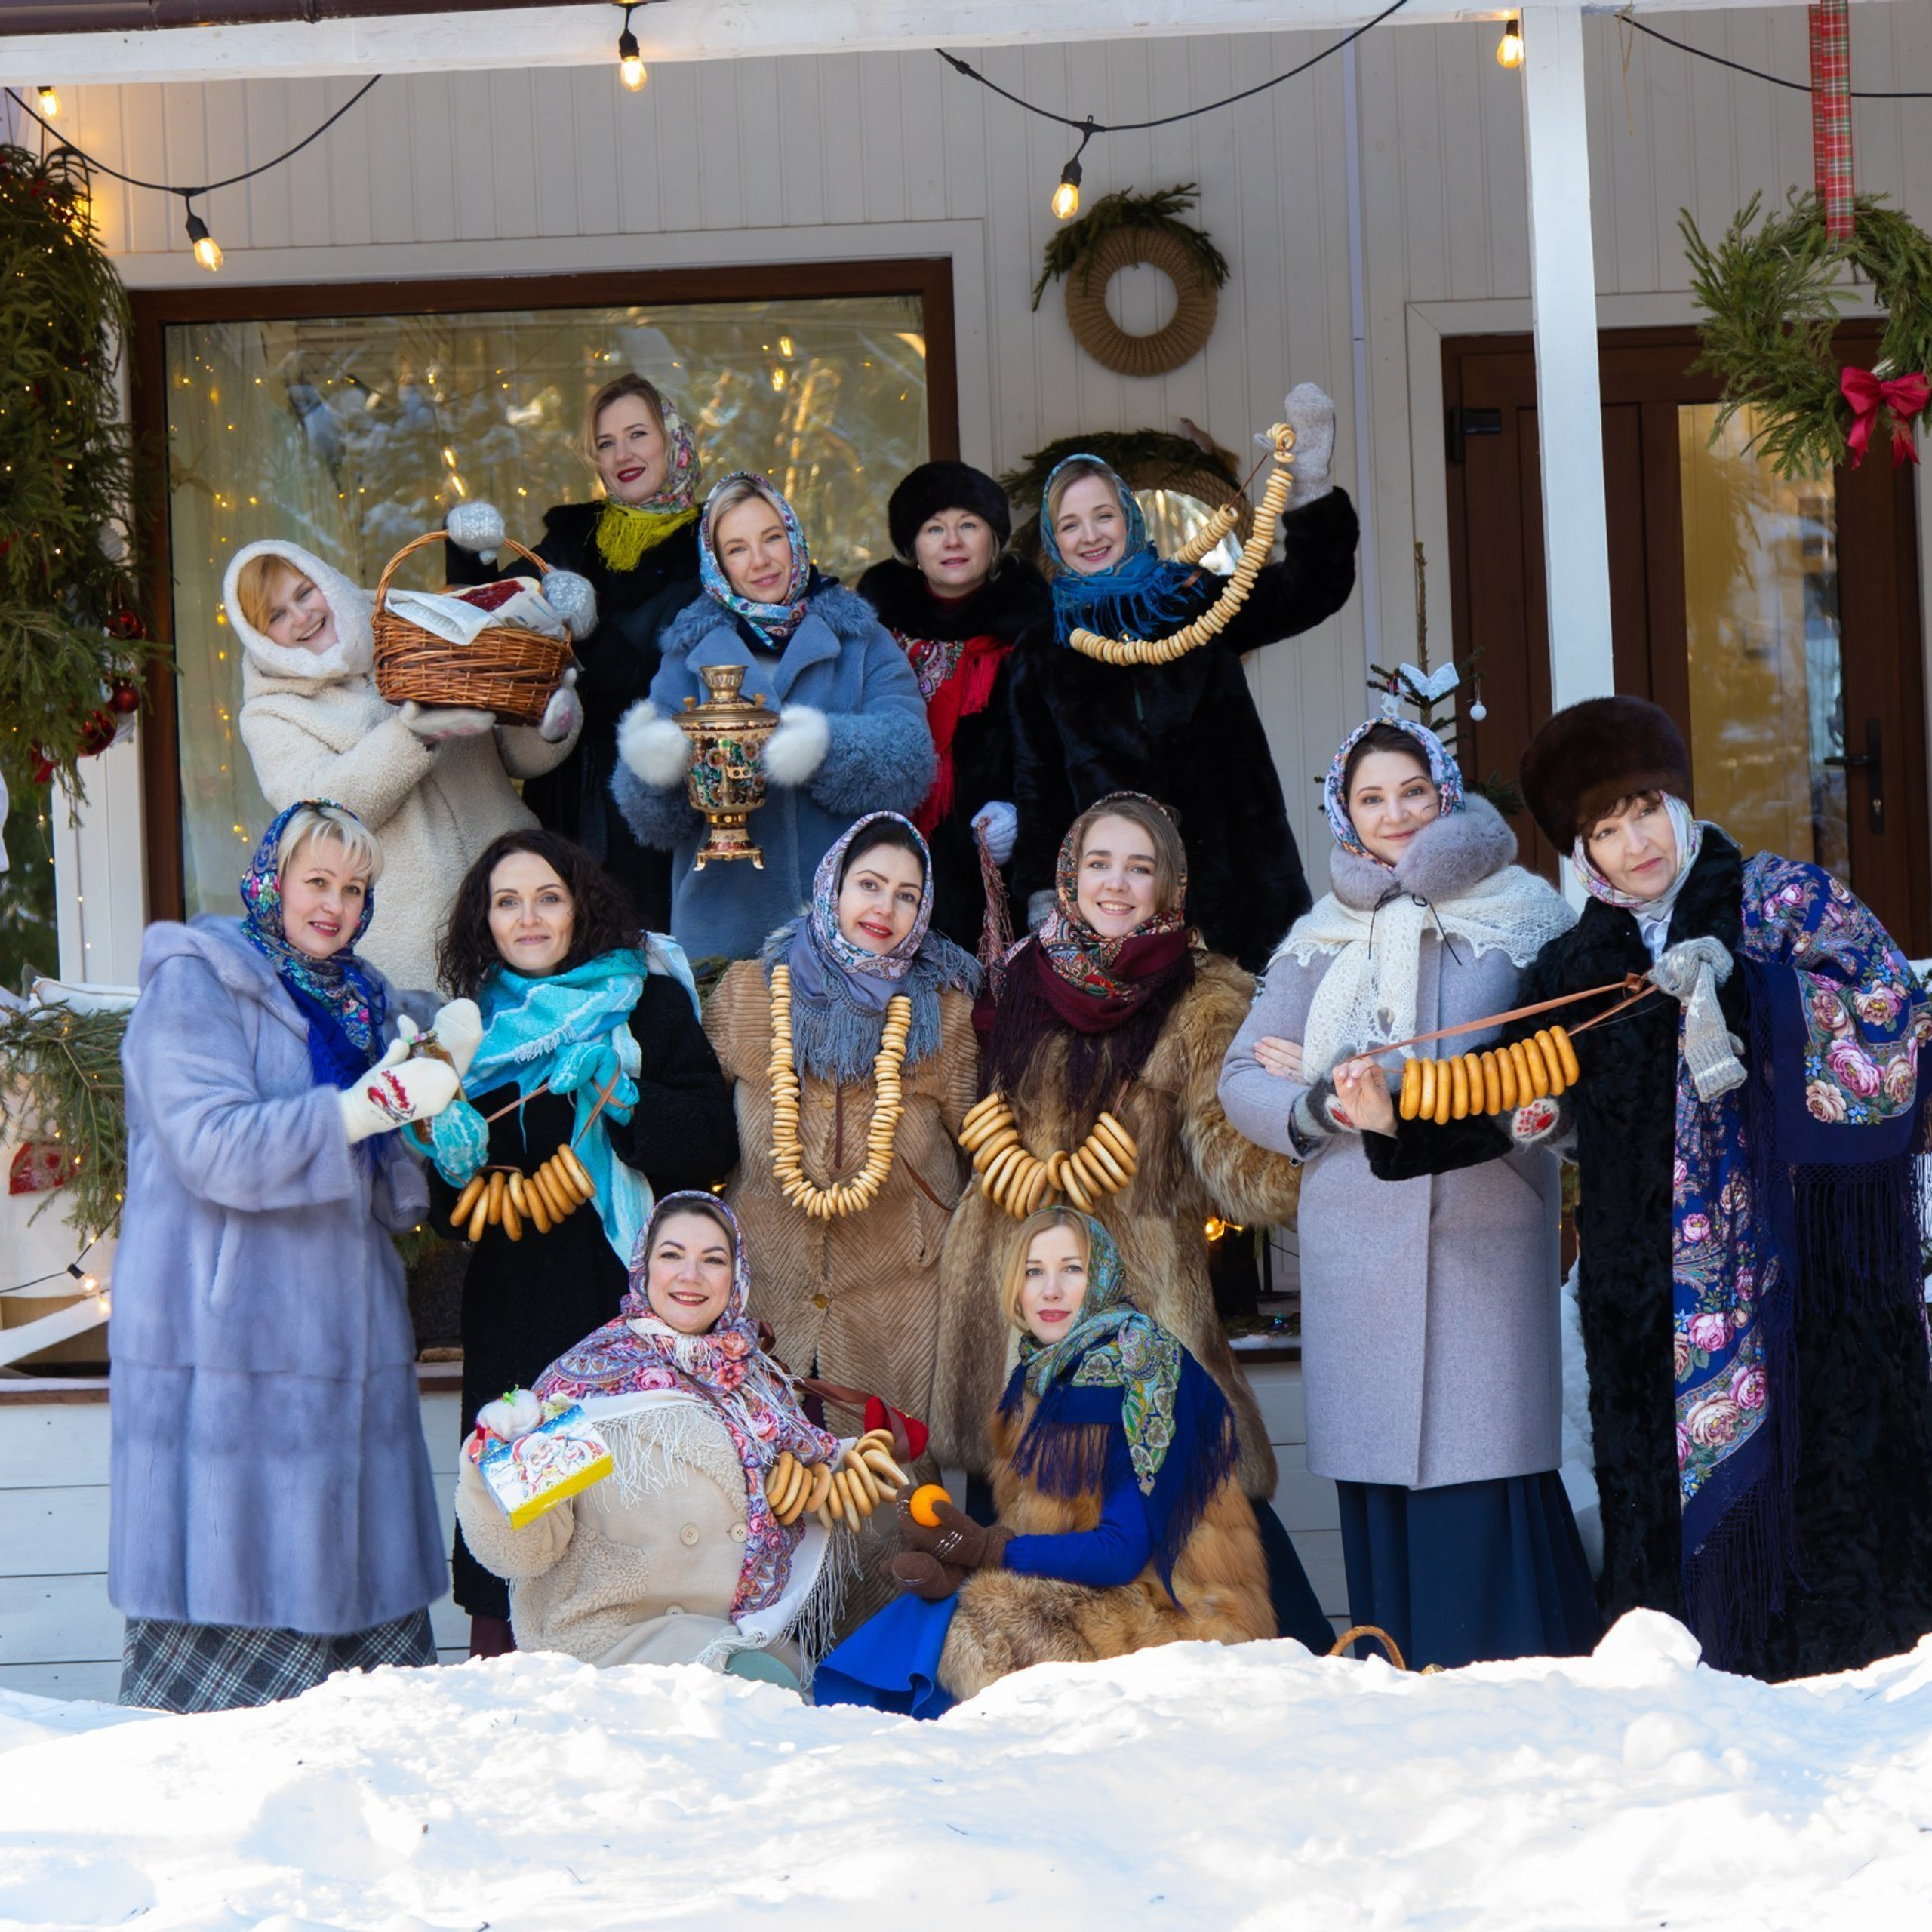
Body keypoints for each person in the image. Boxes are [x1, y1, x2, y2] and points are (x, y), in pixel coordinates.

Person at [1340, 697, 1932, 1681]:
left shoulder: (1781, 905)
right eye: (1604, 829)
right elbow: (1504, 1092)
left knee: (1832, 1524)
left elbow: (1894, 1018)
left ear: (1678, 803)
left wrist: (1743, 986)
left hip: (1804, 1287)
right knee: (1675, 1572)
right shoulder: (1579, 966)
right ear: (1584, 852)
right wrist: (1391, 1120)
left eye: (1644, 810)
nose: (1634, 842)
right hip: (1650, 1302)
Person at [1218, 718, 1595, 1669]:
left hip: (1484, 1224)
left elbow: (1563, 1062)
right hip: (1359, 1243)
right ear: (1342, 813)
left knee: (1488, 1477)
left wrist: (1464, 1095)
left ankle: (1523, 1690)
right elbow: (1240, 1076)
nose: (1392, 815)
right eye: (1369, 798)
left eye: (1411, 792)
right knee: (1385, 1489)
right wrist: (1321, 1098)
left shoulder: (1524, 913)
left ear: (1446, 793)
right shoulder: (1319, 936)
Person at [929, 791, 1331, 1651]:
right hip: (1010, 1298)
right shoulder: (1018, 979)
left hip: (1139, 1305)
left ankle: (1287, 1663)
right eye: (1099, 863)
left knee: (1186, 1518)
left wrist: (1310, 1120)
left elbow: (1230, 1153)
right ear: (1069, 874)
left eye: (1139, 868)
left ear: (1168, 885)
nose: (1117, 884)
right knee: (1004, 1516)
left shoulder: (1204, 996)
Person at [110, 801, 476, 1712]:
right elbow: (211, 1145)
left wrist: (428, 1095)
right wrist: (358, 1111)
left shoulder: (365, 1001)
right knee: (232, 1636)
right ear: (274, 881)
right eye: (318, 881)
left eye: (355, 889)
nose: (336, 906)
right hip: (229, 1338)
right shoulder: (196, 984)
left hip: (349, 1335)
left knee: (369, 1681)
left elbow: (390, 1188)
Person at [423, 829, 738, 1656]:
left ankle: (642, 1660)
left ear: (580, 906)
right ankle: (513, 1678)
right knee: (521, 1502)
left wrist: (627, 1098)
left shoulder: (645, 1003)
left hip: (627, 1307)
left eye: (547, 898)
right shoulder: (465, 1034)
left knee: (627, 1505)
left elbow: (712, 1143)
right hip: (518, 1313)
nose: (528, 918)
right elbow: (446, 1210)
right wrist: (446, 1152)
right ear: (482, 922)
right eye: (506, 902)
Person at [816, 1210, 1275, 1716]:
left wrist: (991, 1551)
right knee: (931, 1608)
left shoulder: (1141, 1369)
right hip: (1103, 1592)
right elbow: (1043, 1540)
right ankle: (868, 1729)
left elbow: (1121, 1552)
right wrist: (974, 1555)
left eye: (1071, 1269)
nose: (1050, 1290)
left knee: (976, 1626)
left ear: (1101, 1275)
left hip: (1182, 1616)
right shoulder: (1042, 1377)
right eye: (1034, 1271)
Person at [1006, 386, 1359, 971]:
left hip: (1240, 878)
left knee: (1253, 1049)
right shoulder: (1042, 649)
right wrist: (1048, 905)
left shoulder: (1191, 598)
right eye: (1070, 524)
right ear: (1053, 540)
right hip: (1116, 903)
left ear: (1129, 517)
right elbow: (1036, 787)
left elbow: (1308, 591)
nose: (1089, 535)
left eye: (1103, 516)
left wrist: (1311, 485)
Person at [451, 1194, 854, 1691]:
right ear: (643, 1267)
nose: (691, 1275)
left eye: (713, 1260)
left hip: (727, 1636)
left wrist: (842, 1477)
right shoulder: (585, 1383)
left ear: (737, 1277)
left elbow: (811, 1476)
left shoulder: (758, 1385)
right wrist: (492, 1472)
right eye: (672, 1255)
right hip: (609, 1645)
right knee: (769, 1691)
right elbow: (524, 1552)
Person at [704, 811, 980, 1420]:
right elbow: (698, 1141)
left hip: (899, 1313)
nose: (886, 908)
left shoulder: (945, 1013)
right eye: (870, 885)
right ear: (833, 886)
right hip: (766, 1305)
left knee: (891, 1500)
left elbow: (984, 1153)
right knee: (771, 1495)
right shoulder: (750, 993)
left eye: (907, 895)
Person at [227, 538, 586, 992]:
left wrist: (548, 722)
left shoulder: (412, 628)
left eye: (304, 593)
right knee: (441, 1056)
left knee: (546, 1040)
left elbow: (518, 756)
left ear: (328, 584)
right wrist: (413, 735)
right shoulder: (271, 712)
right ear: (260, 636)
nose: (302, 617)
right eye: (276, 616)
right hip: (412, 936)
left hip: (516, 896)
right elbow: (321, 814)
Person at [609, 472, 935, 964]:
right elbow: (651, 821)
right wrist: (658, 769)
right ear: (717, 563)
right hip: (723, 930)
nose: (760, 561)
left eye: (771, 538)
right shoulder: (688, 652)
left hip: (851, 928)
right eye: (737, 549)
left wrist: (821, 749)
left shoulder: (861, 639)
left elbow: (912, 759)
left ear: (794, 539)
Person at [444, 372, 706, 925]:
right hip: (566, 787)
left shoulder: (711, 545)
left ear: (673, 440)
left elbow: (670, 675)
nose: (622, 454)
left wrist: (589, 630)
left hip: (658, 796)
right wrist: (471, 553)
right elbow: (488, 608)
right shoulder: (572, 537)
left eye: (637, 434)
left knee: (654, 964)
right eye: (606, 443)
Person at [856, 462, 1052, 952]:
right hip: (893, 857)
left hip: (995, 860)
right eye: (933, 529)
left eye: (969, 525)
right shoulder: (873, 633)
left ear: (994, 540)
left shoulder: (1037, 630)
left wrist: (1020, 814)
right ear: (912, 549)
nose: (952, 541)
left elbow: (1054, 749)